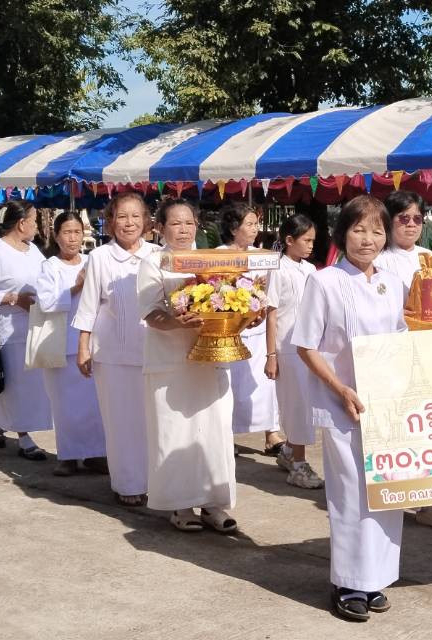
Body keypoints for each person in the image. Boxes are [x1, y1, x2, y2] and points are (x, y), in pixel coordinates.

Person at [293, 195, 407, 622]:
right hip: (343, 404)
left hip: (386, 404)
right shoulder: (324, 282)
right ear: (343, 233)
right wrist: (339, 388)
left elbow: (399, 337)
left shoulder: (392, 281)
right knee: (350, 494)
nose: (369, 239)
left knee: (385, 491)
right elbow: (306, 345)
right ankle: (348, 582)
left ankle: (375, 579)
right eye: (359, 229)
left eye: (377, 230)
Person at [137, 199, 239, 532]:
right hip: (171, 363)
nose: (183, 230)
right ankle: (179, 505)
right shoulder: (153, 263)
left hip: (210, 359)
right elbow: (151, 313)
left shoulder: (212, 260)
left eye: (189, 223)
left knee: (216, 431)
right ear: (161, 227)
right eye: (175, 224)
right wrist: (179, 323)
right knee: (176, 433)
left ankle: (214, 504)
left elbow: (232, 299)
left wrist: (240, 318)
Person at [374, 191, 432, 533]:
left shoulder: (431, 259)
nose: (411, 225)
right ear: (390, 221)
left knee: (429, 425)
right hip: (392, 350)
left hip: (426, 351)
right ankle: (390, 490)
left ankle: (430, 501)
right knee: (392, 425)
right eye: (403, 218)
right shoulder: (379, 259)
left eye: (417, 218)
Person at [72, 192, 156, 506]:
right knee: (121, 420)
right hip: (112, 353)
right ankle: (128, 483)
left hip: (153, 351)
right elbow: (88, 304)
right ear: (110, 222)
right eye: (122, 216)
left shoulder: (158, 255)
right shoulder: (100, 257)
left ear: (146, 220)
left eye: (136, 216)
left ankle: (155, 482)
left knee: (151, 419)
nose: (129, 223)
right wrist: (83, 346)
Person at [0, 201, 53, 458]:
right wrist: (10, 298)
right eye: (34, 221)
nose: (37, 226)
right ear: (22, 223)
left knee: (32, 385)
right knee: (16, 385)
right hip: (11, 329)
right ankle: (24, 438)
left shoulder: (33, 251)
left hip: (36, 326)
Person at [33, 211, 108, 476]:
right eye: (67, 232)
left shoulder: (93, 261)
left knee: (94, 404)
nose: (73, 238)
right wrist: (76, 288)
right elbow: (46, 302)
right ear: (56, 236)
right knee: (64, 404)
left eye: (77, 232)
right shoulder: (50, 266)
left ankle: (95, 453)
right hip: (61, 343)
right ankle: (67, 455)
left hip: (90, 342)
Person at [219, 202, 282, 455]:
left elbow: (270, 296)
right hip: (229, 331)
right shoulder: (217, 255)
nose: (255, 229)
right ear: (234, 228)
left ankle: (272, 433)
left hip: (258, 331)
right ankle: (227, 435)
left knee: (266, 387)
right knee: (230, 387)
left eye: (256, 224)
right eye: (250, 224)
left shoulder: (262, 256)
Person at [265, 214, 323, 489]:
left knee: (307, 402)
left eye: (313, 240)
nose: (311, 245)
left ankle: (290, 450)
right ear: (289, 241)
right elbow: (272, 314)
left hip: (309, 347)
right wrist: (271, 355)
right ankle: (298, 463)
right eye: (306, 240)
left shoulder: (311, 270)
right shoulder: (277, 269)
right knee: (297, 405)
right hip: (287, 348)